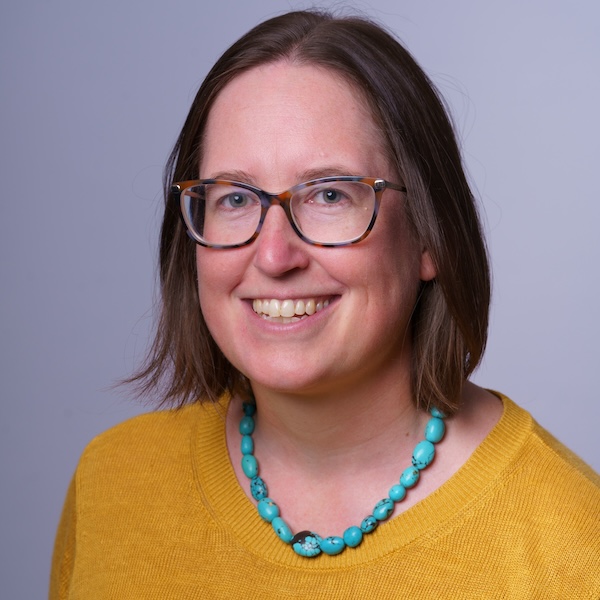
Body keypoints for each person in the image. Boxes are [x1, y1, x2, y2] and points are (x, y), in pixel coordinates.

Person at [49, 9, 599, 599]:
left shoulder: (571, 543)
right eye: (235, 198)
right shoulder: (112, 484)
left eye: (329, 194)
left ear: (430, 237)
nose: (274, 254)